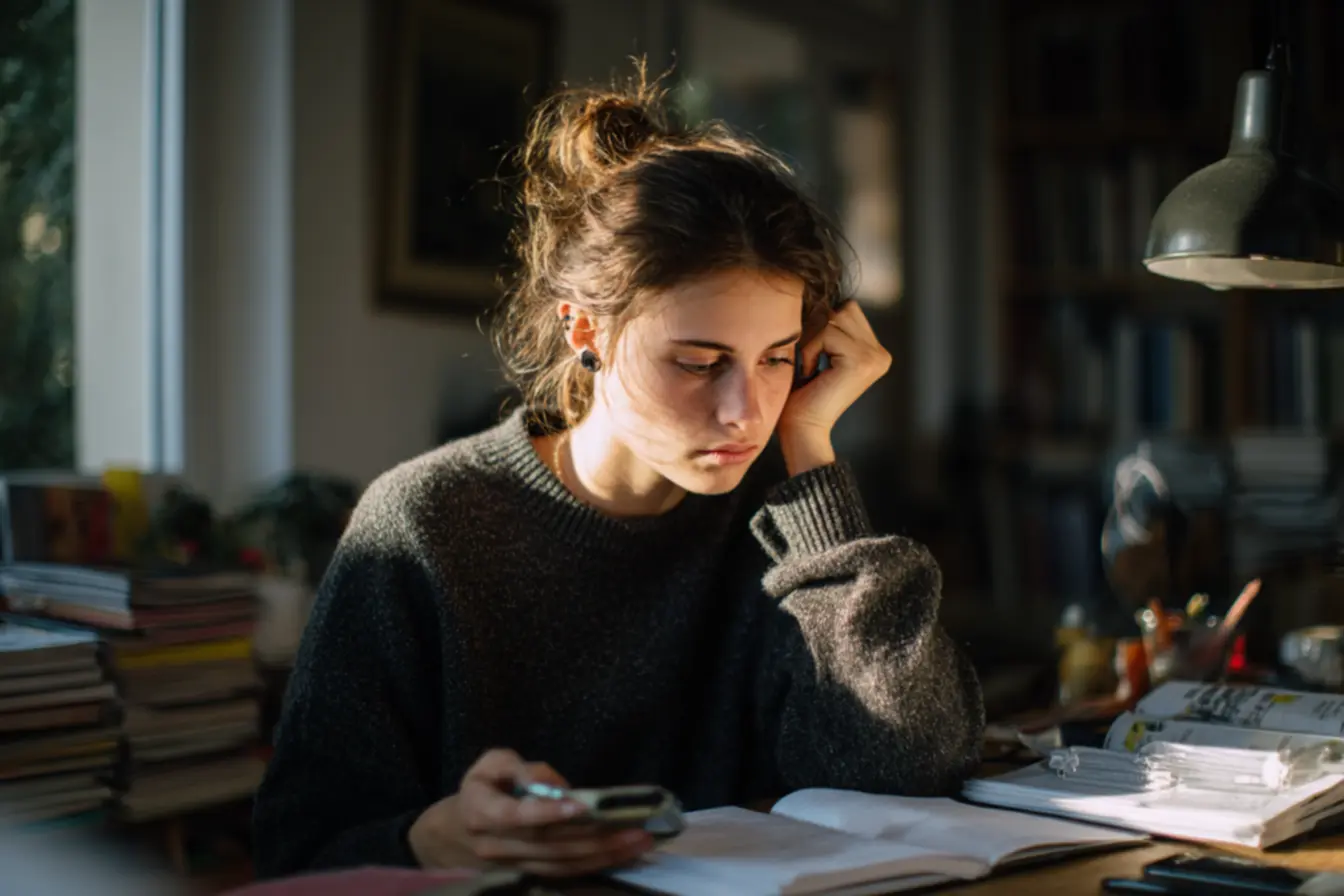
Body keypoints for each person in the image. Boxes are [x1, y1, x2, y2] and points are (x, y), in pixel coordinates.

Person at [252, 64, 984, 881]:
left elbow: (909, 769)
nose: (746, 410)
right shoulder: (425, 525)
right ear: (584, 330)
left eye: (777, 358)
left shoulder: (783, 522)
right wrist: (430, 839)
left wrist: (810, 443)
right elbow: (297, 853)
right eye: (701, 362)